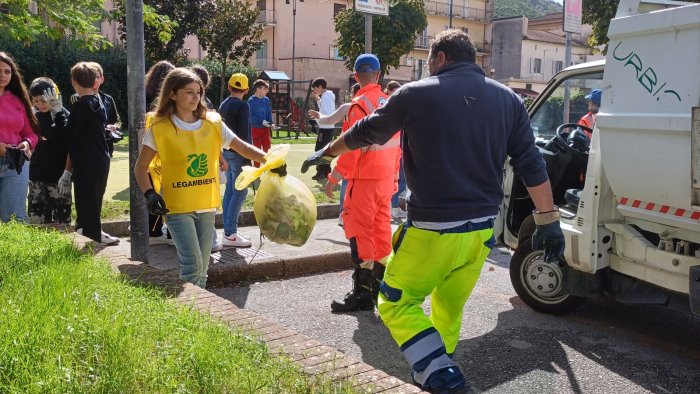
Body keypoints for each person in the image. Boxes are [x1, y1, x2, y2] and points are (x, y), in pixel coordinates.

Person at [301, 30, 564, 393]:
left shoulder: (416, 93)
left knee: (395, 302)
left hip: (431, 230)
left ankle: (441, 375)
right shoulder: (509, 100)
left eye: (427, 62)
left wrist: (327, 152)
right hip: (481, 234)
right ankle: (438, 374)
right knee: (448, 307)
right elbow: (532, 165)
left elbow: (367, 131)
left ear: (440, 57)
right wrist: (549, 222)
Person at [134, 68, 269, 288]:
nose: (196, 96)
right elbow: (140, 167)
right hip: (177, 207)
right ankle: (193, 314)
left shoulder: (213, 123)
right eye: (189, 92)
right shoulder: (159, 128)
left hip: (206, 205)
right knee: (192, 265)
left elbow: (243, 148)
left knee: (203, 268)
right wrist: (149, 194)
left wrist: (271, 160)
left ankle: (197, 314)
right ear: (172, 94)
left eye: (198, 91)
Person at [304, 54, 401, 314]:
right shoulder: (390, 103)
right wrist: (393, 178)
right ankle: (380, 290)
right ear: (379, 75)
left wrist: (334, 177)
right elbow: (398, 148)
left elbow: (352, 147)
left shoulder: (359, 105)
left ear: (356, 76)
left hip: (365, 180)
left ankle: (362, 295)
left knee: (360, 232)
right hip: (385, 182)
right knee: (381, 233)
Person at [44, 62, 118, 245]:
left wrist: (57, 111)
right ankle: (90, 231)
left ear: (73, 82)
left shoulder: (81, 105)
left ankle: (92, 237)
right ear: (95, 82)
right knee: (95, 198)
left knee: (87, 201)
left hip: (87, 161)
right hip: (102, 157)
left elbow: (69, 133)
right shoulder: (99, 102)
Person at [308, 83, 360, 227]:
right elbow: (330, 118)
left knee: (346, 178)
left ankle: (344, 213)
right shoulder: (380, 106)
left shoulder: (350, 107)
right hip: (375, 166)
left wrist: (332, 181)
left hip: (350, 150)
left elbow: (330, 118)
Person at [189, 63, 226, 252]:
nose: (194, 97)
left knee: (202, 207)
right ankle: (209, 242)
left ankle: (205, 242)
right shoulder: (206, 107)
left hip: (198, 164)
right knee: (205, 206)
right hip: (203, 164)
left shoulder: (205, 108)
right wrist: (220, 157)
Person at [0, 52, 39, 223]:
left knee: (15, 217)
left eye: (7, 71)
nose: (2, 75)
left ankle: (16, 251)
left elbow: (31, 133)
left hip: (16, 162)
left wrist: (27, 143)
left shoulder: (18, 100)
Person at [27, 77, 71, 225]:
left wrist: (58, 115)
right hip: (37, 176)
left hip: (58, 177)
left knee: (62, 221)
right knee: (36, 219)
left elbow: (68, 137)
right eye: (36, 101)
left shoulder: (64, 115)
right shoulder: (34, 116)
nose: (40, 105)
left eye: (43, 100)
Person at [219, 73, 253, 248]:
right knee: (240, 192)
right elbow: (244, 134)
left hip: (226, 152)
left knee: (231, 190)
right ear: (246, 90)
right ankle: (230, 233)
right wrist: (250, 157)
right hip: (239, 153)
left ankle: (227, 230)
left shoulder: (223, 104)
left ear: (229, 87)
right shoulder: (243, 106)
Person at [144, 60, 176, 244]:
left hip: (149, 149)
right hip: (167, 149)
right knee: (170, 191)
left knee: (152, 190)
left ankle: (154, 231)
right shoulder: (168, 100)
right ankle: (172, 233)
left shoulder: (144, 96)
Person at [384, 80, 407, 220]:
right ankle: (393, 207)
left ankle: (392, 206)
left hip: (395, 149)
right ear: (391, 91)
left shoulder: (388, 105)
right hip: (397, 149)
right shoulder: (393, 106)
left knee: (398, 180)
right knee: (400, 180)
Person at [310, 77, 336, 181]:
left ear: (320, 87)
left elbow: (325, 113)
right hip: (327, 127)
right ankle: (325, 172)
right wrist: (318, 99)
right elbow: (325, 109)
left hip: (325, 128)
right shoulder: (327, 95)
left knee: (320, 150)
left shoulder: (326, 96)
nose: (314, 90)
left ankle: (322, 172)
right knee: (324, 150)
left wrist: (317, 116)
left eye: (315, 88)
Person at [248, 79, 273, 167]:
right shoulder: (250, 101)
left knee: (268, 149)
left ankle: (269, 168)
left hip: (265, 129)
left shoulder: (266, 100)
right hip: (255, 129)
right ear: (258, 89)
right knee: (256, 150)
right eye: (264, 88)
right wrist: (262, 121)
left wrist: (271, 123)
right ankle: (256, 170)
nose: (266, 90)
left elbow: (269, 112)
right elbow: (251, 116)